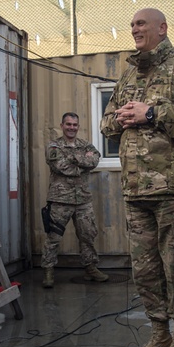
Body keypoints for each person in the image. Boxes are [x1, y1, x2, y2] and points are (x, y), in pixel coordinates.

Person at [100, 8, 174, 347]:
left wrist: (151, 114)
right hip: (135, 191)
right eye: (131, 24)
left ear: (162, 28)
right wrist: (118, 118)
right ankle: (159, 333)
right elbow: (106, 123)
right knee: (145, 269)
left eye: (141, 23)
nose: (134, 29)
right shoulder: (129, 73)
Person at [42, 113, 108, 288]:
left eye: (75, 125)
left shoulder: (85, 144)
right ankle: (48, 271)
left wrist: (74, 159)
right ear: (62, 125)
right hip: (60, 199)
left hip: (83, 199)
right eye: (68, 124)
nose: (72, 127)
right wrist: (82, 162)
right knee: (53, 237)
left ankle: (90, 268)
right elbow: (61, 167)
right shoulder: (54, 146)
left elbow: (94, 160)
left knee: (87, 235)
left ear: (78, 126)